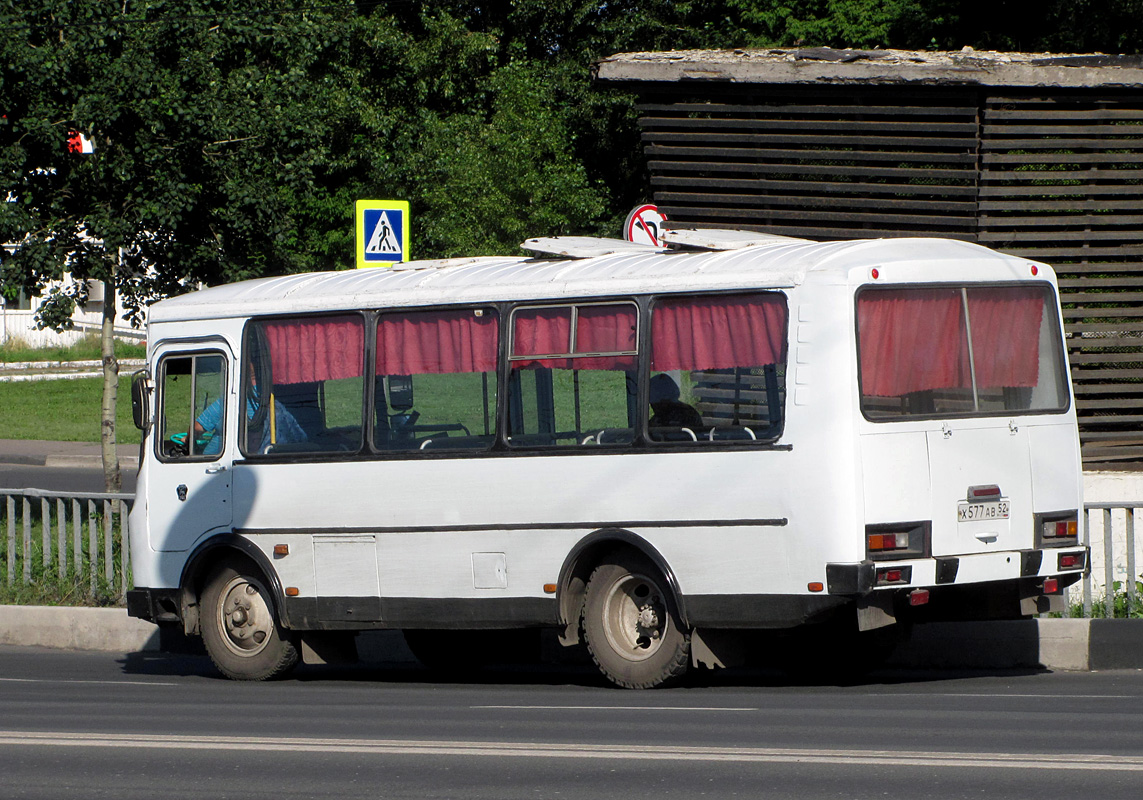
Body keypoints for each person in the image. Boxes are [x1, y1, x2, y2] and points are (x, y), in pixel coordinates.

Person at [193, 362, 306, 455]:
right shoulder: (276, 402)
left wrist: (188, 440)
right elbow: (300, 437)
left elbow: (197, 428)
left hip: (217, 465)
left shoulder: (231, 399)